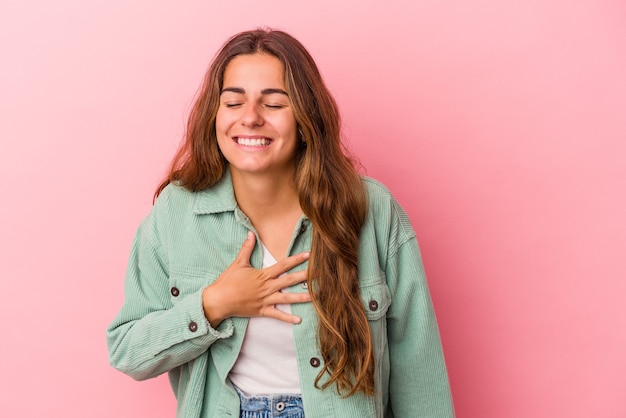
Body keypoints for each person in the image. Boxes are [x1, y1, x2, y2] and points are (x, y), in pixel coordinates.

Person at [107, 28, 455, 418]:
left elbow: (418, 363)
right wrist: (213, 304)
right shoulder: (176, 212)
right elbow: (127, 350)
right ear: (215, 116)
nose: (251, 118)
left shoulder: (371, 208)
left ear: (306, 118)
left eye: (273, 103)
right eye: (233, 102)